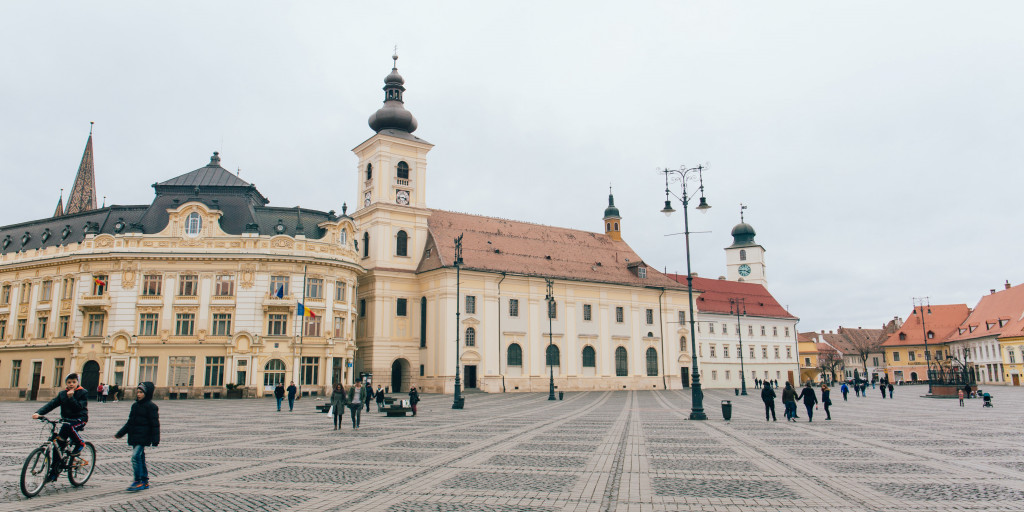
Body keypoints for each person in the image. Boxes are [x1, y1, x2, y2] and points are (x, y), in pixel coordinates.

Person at [32, 373, 89, 481]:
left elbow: (78, 407)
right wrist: (38, 413)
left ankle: (80, 443)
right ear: (66, 383)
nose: (71, 384)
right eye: (69, 382)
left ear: (78, 382)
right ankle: (54, 473)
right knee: (58, 446)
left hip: (80, 419)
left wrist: (71, 397)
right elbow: (52, 404)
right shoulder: (62, 394)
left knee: (69, 427)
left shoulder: (83, 392)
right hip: (66, 420)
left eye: (74, 382)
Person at [115, 382, 160, 492]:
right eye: (138, 392)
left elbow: (155, 424)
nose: (138, 394)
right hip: (134, 435)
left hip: (144, 436)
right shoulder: (135, 406)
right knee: (140, 457)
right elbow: (130, 422)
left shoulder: (151, 407)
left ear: (147, 393)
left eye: (141, 392)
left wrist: (155, 439)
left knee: (135, 457)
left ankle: (138, 480)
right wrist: (120, 433)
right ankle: (144, 480)